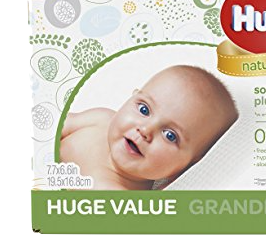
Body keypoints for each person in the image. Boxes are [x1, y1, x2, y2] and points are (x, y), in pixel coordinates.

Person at [60, 66, 239, 190]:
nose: (145, 130)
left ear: (186, 167)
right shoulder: (100, 119)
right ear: (132, 97)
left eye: (170, 135)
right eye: (144, 110)